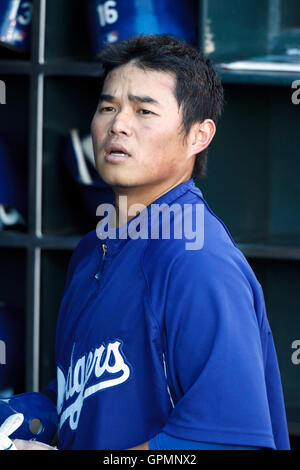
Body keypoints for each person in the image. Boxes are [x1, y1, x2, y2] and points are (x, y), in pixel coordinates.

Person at [15, 34, 290, 450]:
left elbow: (230, 444)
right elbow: (83, 401)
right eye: (108, 107)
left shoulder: (198, 262)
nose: (117, 125)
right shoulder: (95, 249)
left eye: (144, 110)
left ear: (199, 135)